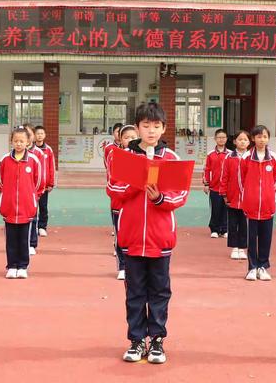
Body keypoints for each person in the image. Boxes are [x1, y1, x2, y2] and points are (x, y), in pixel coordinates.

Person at [107, 102, 189, 364]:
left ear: (164, 128)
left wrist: (159, 198)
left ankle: (157, 340)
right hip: (131, 238)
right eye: (145, 125)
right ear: (137, 127)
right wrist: (135, 186)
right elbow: (113, 191)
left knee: (160, 291)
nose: (151, 131)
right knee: (134, 292)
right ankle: (136, 340)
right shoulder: (123, 157)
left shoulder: (171, 159)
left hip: (160, 238)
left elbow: (180, 196)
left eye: (156, 126)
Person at [0, 127, 44, 279]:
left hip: (26, 206)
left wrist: (31, 196)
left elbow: (39, 183)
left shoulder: (34, 160)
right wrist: (7, 196)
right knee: (10, 239)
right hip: (9, 207)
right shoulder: (5, 160)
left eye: (22, 141)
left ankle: (23, 266)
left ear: (28, 142)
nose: (18, 144)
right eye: (16, 141)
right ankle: (11, 266)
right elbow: (0, 181)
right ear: (11, 141)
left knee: (24, 238)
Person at [239, 125, 276, 281]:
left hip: (268, 205)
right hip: (251, 205)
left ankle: (263, 266)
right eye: (258, 137)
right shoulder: (246, 158)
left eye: (264, 136)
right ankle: (252, 267)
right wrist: (248, 195)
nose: (262, 140)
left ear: (268, 138)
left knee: (266, 237)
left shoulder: (274, 158)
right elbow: (241, 179)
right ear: (253, 139)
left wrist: (270, 193)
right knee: (251, 238)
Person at [106, 124, 138, 280]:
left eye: (133, 137)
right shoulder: (116, 155)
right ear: (120, 139)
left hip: (137, 206)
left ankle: (134, 267)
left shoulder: (143, 156)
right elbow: (113, 182)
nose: (130, 140)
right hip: (120, 204)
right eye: (126, 137)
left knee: (136, 237)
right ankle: (122, 266)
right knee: (121, 236)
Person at [219, 130, 250, 260]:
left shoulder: (251, 157)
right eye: (240, 139)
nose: (242, 142)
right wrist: (224, 194)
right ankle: (234, 247)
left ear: (249, 142)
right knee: (232, 223)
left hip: (247, 197)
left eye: (245, 140)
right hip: (232, 196)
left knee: (244, 223)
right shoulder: (229, 157)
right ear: (234, 141)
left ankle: (242, 248)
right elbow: (224, 176)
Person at [203, 128, 231, 238]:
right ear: (215, 139)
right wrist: (206, 184)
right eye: (219, 137)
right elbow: (207, 169)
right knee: (215, 208)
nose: (221, 139)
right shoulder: (210, 154)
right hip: (214, 187)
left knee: (226, 209)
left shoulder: (230, 154)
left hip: (227, 188)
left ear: (226, 139)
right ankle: (214, 229)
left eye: (223, 137)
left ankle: (224, 229)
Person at [23, 123, 46, 254]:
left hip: (33, 192)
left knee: (33, 216)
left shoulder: (38, 153)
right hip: (20, 193)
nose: (26, 137)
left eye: (29, 134)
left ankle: (32, 243)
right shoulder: (14, 153)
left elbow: (41, 176)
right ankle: (22, 243)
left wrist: (37, 192)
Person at [33, 125, 56, 238]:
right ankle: (33, 226)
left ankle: (42, 227)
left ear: (45, 135)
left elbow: (51, 167)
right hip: (32, 185)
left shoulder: (48, 150)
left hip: (44, 185)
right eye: (38, 133)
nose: (40, 135)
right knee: (32, 206)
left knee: (43, 206)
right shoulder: (30, 150)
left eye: (42, 133)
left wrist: (51, 183)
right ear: (34, 135)